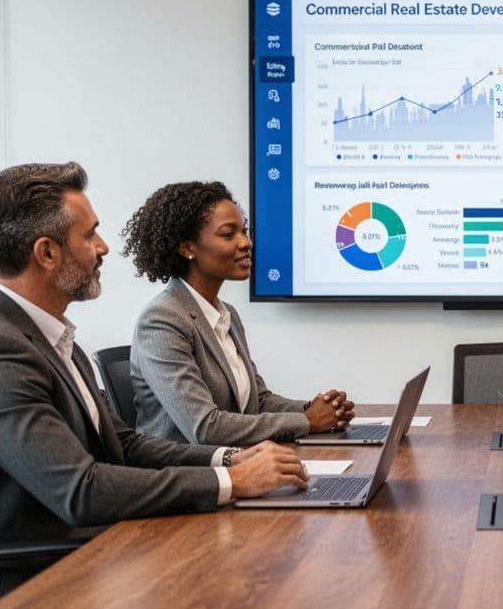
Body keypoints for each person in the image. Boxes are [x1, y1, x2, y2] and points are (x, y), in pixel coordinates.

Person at [0, 163, 310, 609]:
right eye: (90, 235)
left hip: (98, 546)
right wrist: (231, 481)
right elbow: (81, 490)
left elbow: (124, 444)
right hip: (39, 586)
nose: (103, 247)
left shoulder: (49, 337)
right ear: (47, 253)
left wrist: (229, 459)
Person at [121, 181, 354, 446]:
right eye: (229, 234)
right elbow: (205, 427)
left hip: (241, 459)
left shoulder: (225, 314)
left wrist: (317, 410)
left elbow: (258, 401)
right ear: (187, 248)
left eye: (244, 232)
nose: (246, 243)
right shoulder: (162, 320)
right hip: (190, 467)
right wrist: (307, 421)